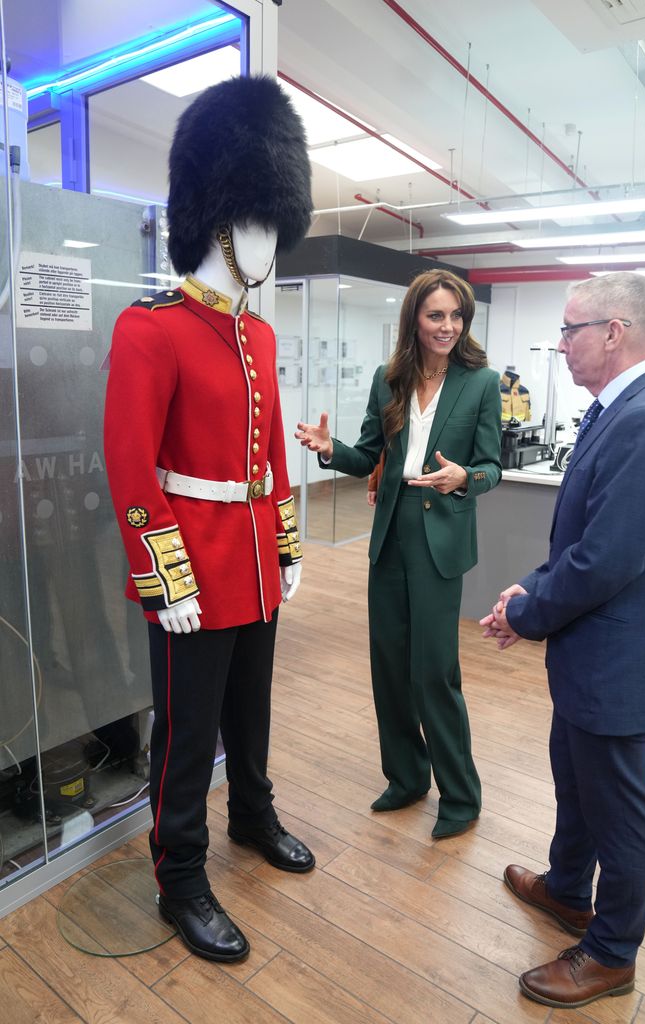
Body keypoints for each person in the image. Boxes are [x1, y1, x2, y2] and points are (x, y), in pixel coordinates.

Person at [104, 75, 314, 964]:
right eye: (257, 224)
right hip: (191, 565)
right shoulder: (149, 328)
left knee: (251, 713)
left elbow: (266, 460)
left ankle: (252, 815)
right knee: (186, 739)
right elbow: (129, 467)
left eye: (277, 224)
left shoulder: (257, 335)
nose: (269, 244)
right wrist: (164, 575)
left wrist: (288, 545)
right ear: (217, 224)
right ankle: (178, 874)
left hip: (255, 562)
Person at [480, 271, 645, 1009]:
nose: (559, 345)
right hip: (592, 650)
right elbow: (583, 537)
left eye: (569, 331)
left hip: (615, 656)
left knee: (620, 810)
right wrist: (529, 587)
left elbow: (609, 558)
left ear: (614, 332)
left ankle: (611, 952)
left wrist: (525, 614)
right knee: (573, 775)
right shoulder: (618, 410)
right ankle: (566, 888)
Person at [296, 269, 502, 838]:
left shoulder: (481, 382)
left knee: (433, 672)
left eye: (457, 316)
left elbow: (492, 467)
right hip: (391, 534)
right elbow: (367, 456)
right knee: (389, 665)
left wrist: (464, 478)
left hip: (441, 535)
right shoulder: (389, 380)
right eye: (437, 315)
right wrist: (328, 450)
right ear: (415, 317)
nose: (448, 326)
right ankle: (407, 777)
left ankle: (460, 796)